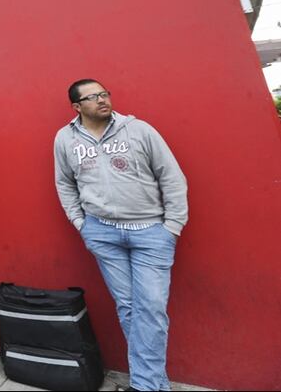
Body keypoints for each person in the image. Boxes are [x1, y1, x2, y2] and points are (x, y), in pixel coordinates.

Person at [55, 79, 189, 392]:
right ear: (77, 107)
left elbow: (171, 177)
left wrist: (172, 227)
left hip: (150, 233)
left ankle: (145, 386)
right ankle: (154, 385)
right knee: (128, 308)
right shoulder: (65, 138)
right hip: (102, 233)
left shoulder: (140, 130)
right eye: (92, 97)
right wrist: (81, 223)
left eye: (104, 94)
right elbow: (65, 183)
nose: (102, 100)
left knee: (151, 309)